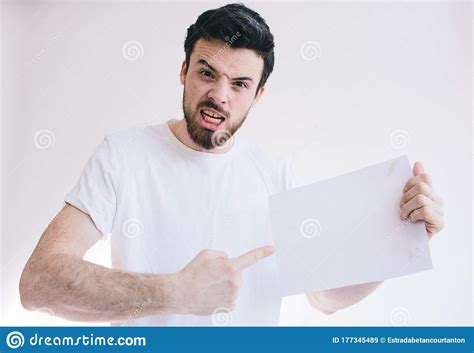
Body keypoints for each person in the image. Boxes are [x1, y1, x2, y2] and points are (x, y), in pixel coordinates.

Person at [19, 3, 444, 326]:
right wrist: (174, 292)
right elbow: (38, 284)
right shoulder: (123, 155)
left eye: (240, 84)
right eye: (207, 73)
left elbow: (325, 296)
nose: (220, 95)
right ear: (184, 71)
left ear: (257, 95)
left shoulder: (275, 174)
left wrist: (400, 238)